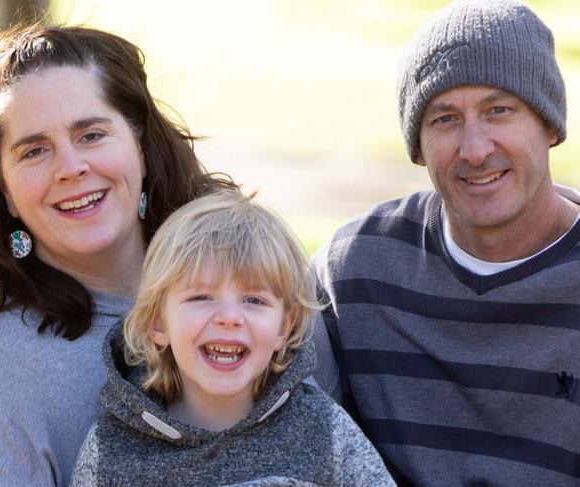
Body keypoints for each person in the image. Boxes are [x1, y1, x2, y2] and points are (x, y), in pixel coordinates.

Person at [0, 24, 235, 487]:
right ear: (5, 193)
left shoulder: (247, 281)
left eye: (91, 135)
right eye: (34, 151)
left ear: (141, 145)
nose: (71, 168)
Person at [312, 1, 580, 485]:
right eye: (444, 119)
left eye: (499, 110)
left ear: (550, 125)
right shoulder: (356, 270)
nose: (475, 150)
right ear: (417, 147)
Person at [69, 190, 395, 486]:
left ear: (285, 327)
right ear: (157, 322)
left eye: (253, 300)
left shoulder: (324, 432)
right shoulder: (112, 448)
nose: (229, 317)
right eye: (201, 297)